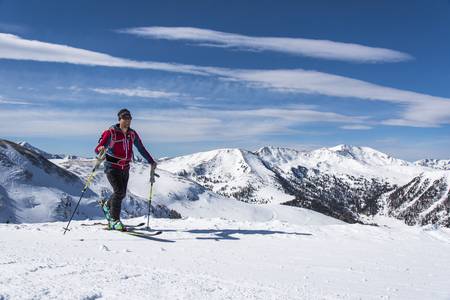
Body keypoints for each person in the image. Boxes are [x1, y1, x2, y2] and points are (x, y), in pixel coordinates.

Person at [95, 108, 157, 231]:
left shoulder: (132, 134)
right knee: (119, 192)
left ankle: (108, 205)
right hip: (112, 166)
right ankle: (114, 220)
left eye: (129, 118)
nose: (127, 120)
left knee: (121, 193)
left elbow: (141, 148)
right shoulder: (111, 132)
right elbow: (98, 148)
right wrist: (101, 149)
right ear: (119, 119)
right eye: (125, 117)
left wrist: (151, 161)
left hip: (125, 167)